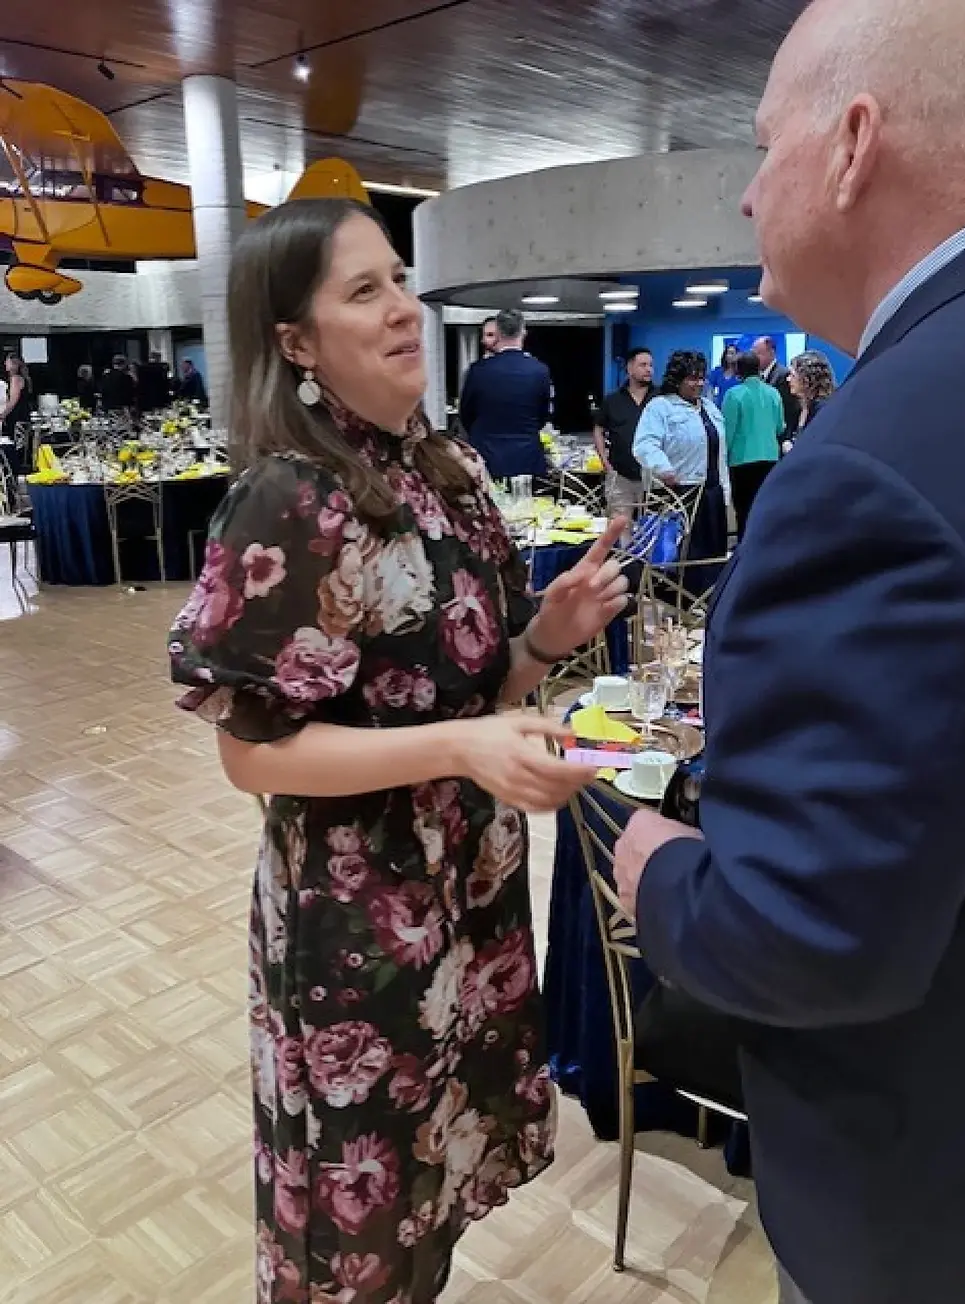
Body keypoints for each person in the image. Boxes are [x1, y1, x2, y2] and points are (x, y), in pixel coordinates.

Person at [168, 197, 630, 1303]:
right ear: (294, 339)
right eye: (362, 290)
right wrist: (465, 742)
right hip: (357, 932)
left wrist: (544, 638)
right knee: (357, 1239)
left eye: (401, 280)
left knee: (433, 1196)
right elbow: (253, 752)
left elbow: (477, 684)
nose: (401, 310)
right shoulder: (288, 496)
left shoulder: (445, 470)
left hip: (464, 903)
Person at [613, 1, 965, 1302]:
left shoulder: (875, 464)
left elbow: (807, 935)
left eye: (765, 146)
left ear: (853, 144)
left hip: (924, 1212)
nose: (749, 194)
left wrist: (649, 859)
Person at [633, 349, 730, 591]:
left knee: (711, 557)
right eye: (692, 378)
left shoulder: (710, 409)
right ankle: (679, 610)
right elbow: (644, 444)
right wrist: (663, 468)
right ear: (677, 379)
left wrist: (725, 491)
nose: (698, 383)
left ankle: (707, 603)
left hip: (711, 495)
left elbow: (720, 453)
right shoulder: (660, 407)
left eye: (701, 377)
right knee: (679, 558)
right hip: (677, 493)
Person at [458, 308, 552, 480]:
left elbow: (466, 414)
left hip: (486, 457)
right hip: (526, 458)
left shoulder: (478, 370)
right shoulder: (540, 371)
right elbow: (543, 415)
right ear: (523, 332)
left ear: (498, 333)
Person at [721, 350, 784, 537]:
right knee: (766, 510)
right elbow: (780, 427)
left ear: (738, 371)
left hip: (742, 461)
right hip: (771, 459)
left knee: (744, 512)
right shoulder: (774, 393)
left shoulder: (734, 395)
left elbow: (728, 432)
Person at [592, 346, 655, 523]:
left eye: (651, 365)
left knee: (651, 528)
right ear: (629, 368)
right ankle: (623, 552)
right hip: (620, 474)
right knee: (619, 526)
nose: (648, 369)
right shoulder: (613, 400)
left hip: (653, 476)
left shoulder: (660, 398)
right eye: (643, 365)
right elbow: (598, 428)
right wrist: (605, 462)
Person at [785, 349, 836, 448]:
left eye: (792, 375)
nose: (788, 379)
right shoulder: (801, 407)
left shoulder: (823, 410)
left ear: (808, 379)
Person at [752, 334, 800, 434]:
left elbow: (790, 410)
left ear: (771, 353)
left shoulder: (783, 375)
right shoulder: (756, 377)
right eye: (753, 354)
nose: (754, 358)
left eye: (758, 354)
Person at [0, 355, 32, 474]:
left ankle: (17, 471)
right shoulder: (21, 378)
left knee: (17, 445)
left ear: (13, 364)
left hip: (17, 416)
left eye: (7, 362)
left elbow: (13, 400)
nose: (5, 364)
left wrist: (3, 414)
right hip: (22, 414)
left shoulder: (15, 379)